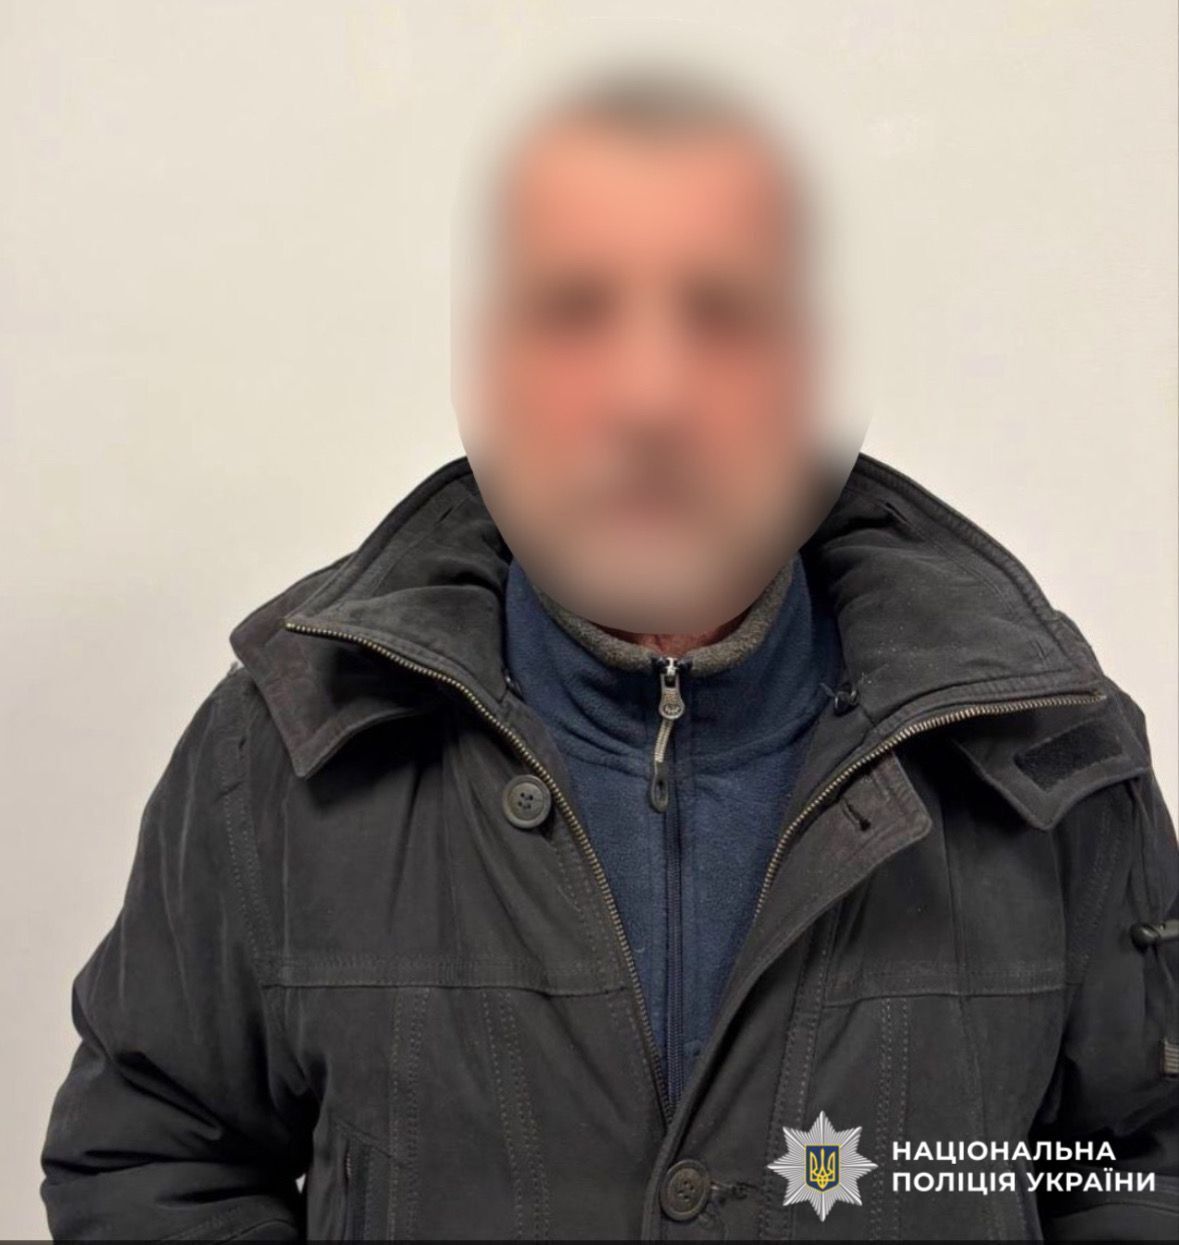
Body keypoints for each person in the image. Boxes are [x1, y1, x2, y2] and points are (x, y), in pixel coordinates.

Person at [41, 68, 1177, 1241]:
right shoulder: (282, 742)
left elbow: (1145, 1164)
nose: (649, 396)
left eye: (725, 315)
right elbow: (153, 1159)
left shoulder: (1055, 757)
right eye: (574, 312)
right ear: (484, 376)